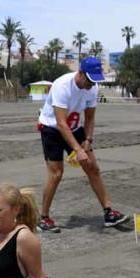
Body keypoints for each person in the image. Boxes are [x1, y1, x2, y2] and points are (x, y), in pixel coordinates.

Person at [36, 57, 129, 232]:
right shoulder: (62, 86)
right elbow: (61, 123)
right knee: (56, 173)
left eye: (95, 81)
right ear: (80, 73)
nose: (91, 85)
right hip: (52, 129)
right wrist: (78, 150)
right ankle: (44, 218)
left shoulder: (92, 89)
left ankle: (109, 212)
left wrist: (87, 141)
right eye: (90, 80)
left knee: (93, 167)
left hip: (75, 127)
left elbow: (90, 118)